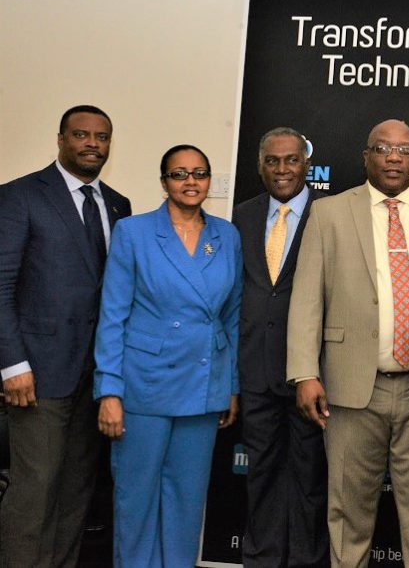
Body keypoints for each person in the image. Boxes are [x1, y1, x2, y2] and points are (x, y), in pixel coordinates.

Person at [287, 119, 409, 568]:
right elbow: (306, 300)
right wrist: (304, 373)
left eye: (404, 150)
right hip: (351, 387)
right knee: (348, 512)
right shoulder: (329, 213)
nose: (394, 157)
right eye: (382, 149)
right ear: (366, 157)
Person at [93, 144, 242, 567]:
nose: (190, 181)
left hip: (204, 385)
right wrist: (109, 391)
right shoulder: (134, 232)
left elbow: (232, 318)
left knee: (187, 502)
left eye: (199, 173)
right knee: (136, 500)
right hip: (144, 386)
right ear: (164, 182)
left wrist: (230, 385)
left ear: (209, 181)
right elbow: (113, 316)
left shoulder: (226, 235)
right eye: (179, 174)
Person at [0, 104, 131, 567]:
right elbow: (1, 285)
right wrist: (12, 365)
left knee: (76, 493)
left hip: (94, 377)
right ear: (61, 139)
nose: (92, 143)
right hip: (37, 375)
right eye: (81, 134)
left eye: (101, 136)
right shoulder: (19, 196)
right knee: (34, 492)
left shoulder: (118, 205)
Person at [232, 128, 328, 567]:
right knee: (261, 477)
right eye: (272, 161)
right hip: (255, 372)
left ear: (306, 165)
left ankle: (307, 562)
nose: (282, 169)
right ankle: (262, 560)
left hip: (313, 374)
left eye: (291, 160)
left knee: (310, 480)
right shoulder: (242, 216)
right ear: (260, 166)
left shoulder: (330, 214)